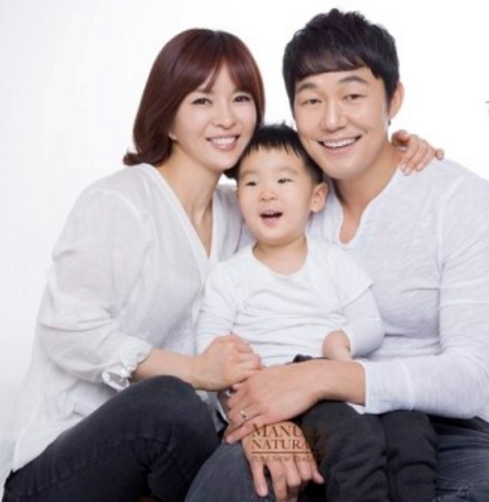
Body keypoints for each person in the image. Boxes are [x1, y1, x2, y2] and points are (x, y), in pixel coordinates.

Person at [0, 23, 440, 502]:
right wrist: (196, 371)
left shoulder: (243, 210)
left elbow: (309, 190)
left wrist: (393, 148)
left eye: (241, 99)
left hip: (180, 452)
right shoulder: (120, 201)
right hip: (68, 461)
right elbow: (69, 330)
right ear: (168, 118)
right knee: (170, 400)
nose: (226, 118)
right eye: (202, 100)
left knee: (294, 458)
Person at [186, 9, 489, 502]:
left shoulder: (459, 201)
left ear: (393, 99)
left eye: (352, 96)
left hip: (439, 427)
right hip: (295, 414)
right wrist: (255, 415)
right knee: (228, 487)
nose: (331, 120)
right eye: (311, 100)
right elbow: (221, 342)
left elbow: (473, 377)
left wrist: (321, 376)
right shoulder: (281, 195)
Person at [196, 123, 437, 502]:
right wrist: (238, 378)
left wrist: (343, 340)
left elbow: (370, 323)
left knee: (412, 428)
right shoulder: (229, 275)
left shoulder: (333, 261)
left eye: (283, 180)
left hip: (337, 380)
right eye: (252, 183)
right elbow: (209, 346)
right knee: (354, 442)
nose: (267, 193)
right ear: (237, 196)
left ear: (317, 197)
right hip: (282, 395)